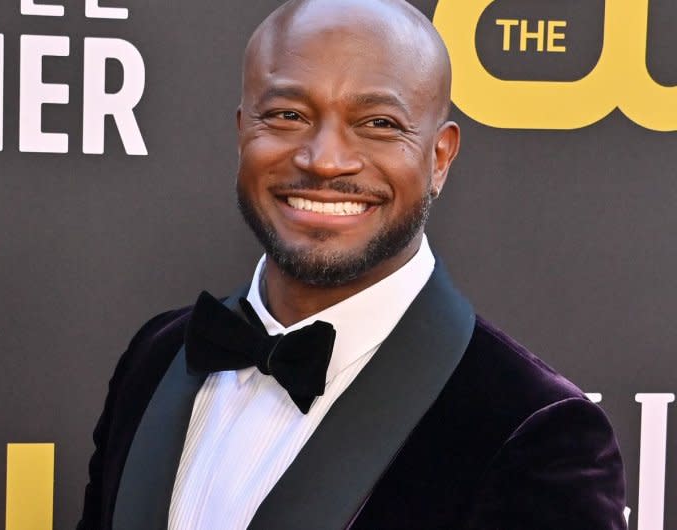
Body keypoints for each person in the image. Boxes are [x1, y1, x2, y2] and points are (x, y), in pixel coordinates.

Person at [78, 0, 627, 528]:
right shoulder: (157, 357)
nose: (325, 160)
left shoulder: (534, 429)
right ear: (243, 131)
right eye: (288, 115)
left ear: (439, 157)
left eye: (378, 123)